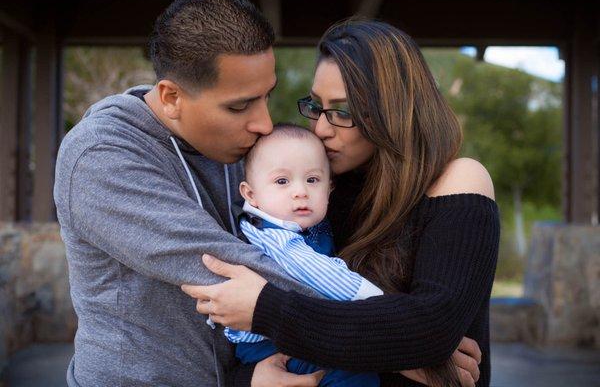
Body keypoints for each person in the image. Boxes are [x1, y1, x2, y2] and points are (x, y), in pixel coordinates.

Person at [182, 19, 500, 387]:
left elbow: (430, 330)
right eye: (316, 106)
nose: (321, 128)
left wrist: (264, 309)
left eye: (343, 111)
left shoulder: (458, 179)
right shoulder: (313, 193)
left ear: (393, 111)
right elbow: (248, 345)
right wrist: (253, 379)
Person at [53, 0, 327, 386]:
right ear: (171, 97)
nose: (264, 124)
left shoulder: (230, 142)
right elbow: (228, 268)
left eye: (267, 97)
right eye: (239, 106)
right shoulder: (100, 156)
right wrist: (392, 338)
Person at [226, 124, 382, 386]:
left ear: (329, 188)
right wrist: (383, 307)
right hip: (271, 346)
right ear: (251, 195)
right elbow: (324, 277)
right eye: (282, 181)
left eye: (312, 180)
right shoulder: (272, 235)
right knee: (352, 373)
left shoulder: (307, 222)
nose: (300, 191)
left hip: (298, 330)